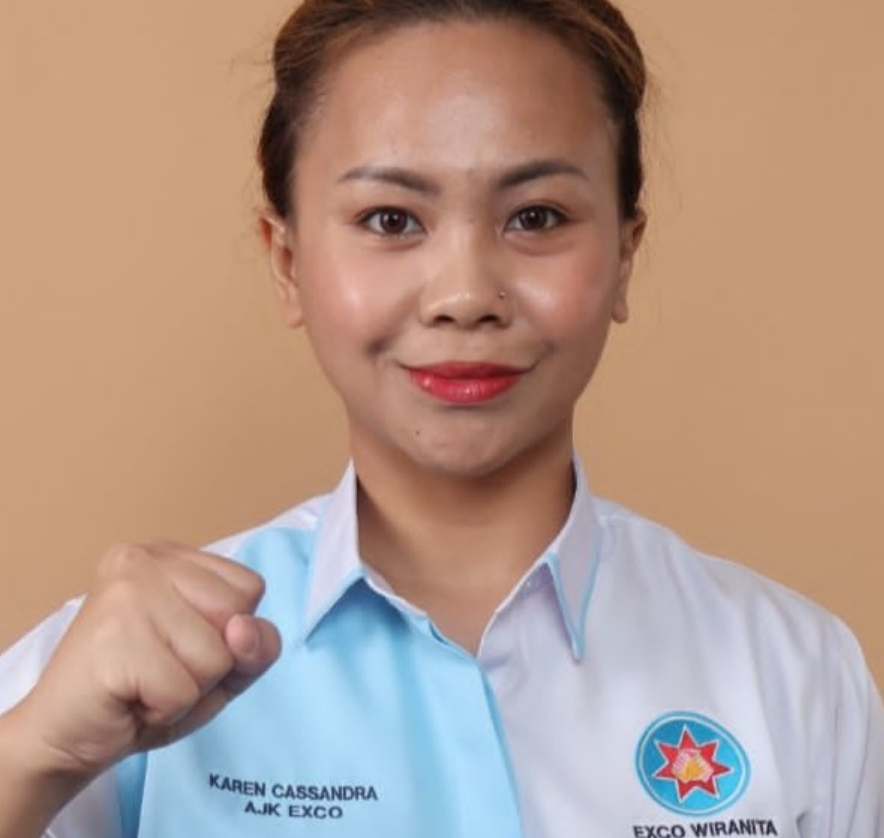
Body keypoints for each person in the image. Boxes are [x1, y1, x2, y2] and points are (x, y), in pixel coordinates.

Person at [0, 0, 881, 835]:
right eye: (391, 219)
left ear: (623, 255)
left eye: (536, 216)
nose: (465, 294)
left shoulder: (793, 671)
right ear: (287, 260)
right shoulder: (98, 680)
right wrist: (32, 757)